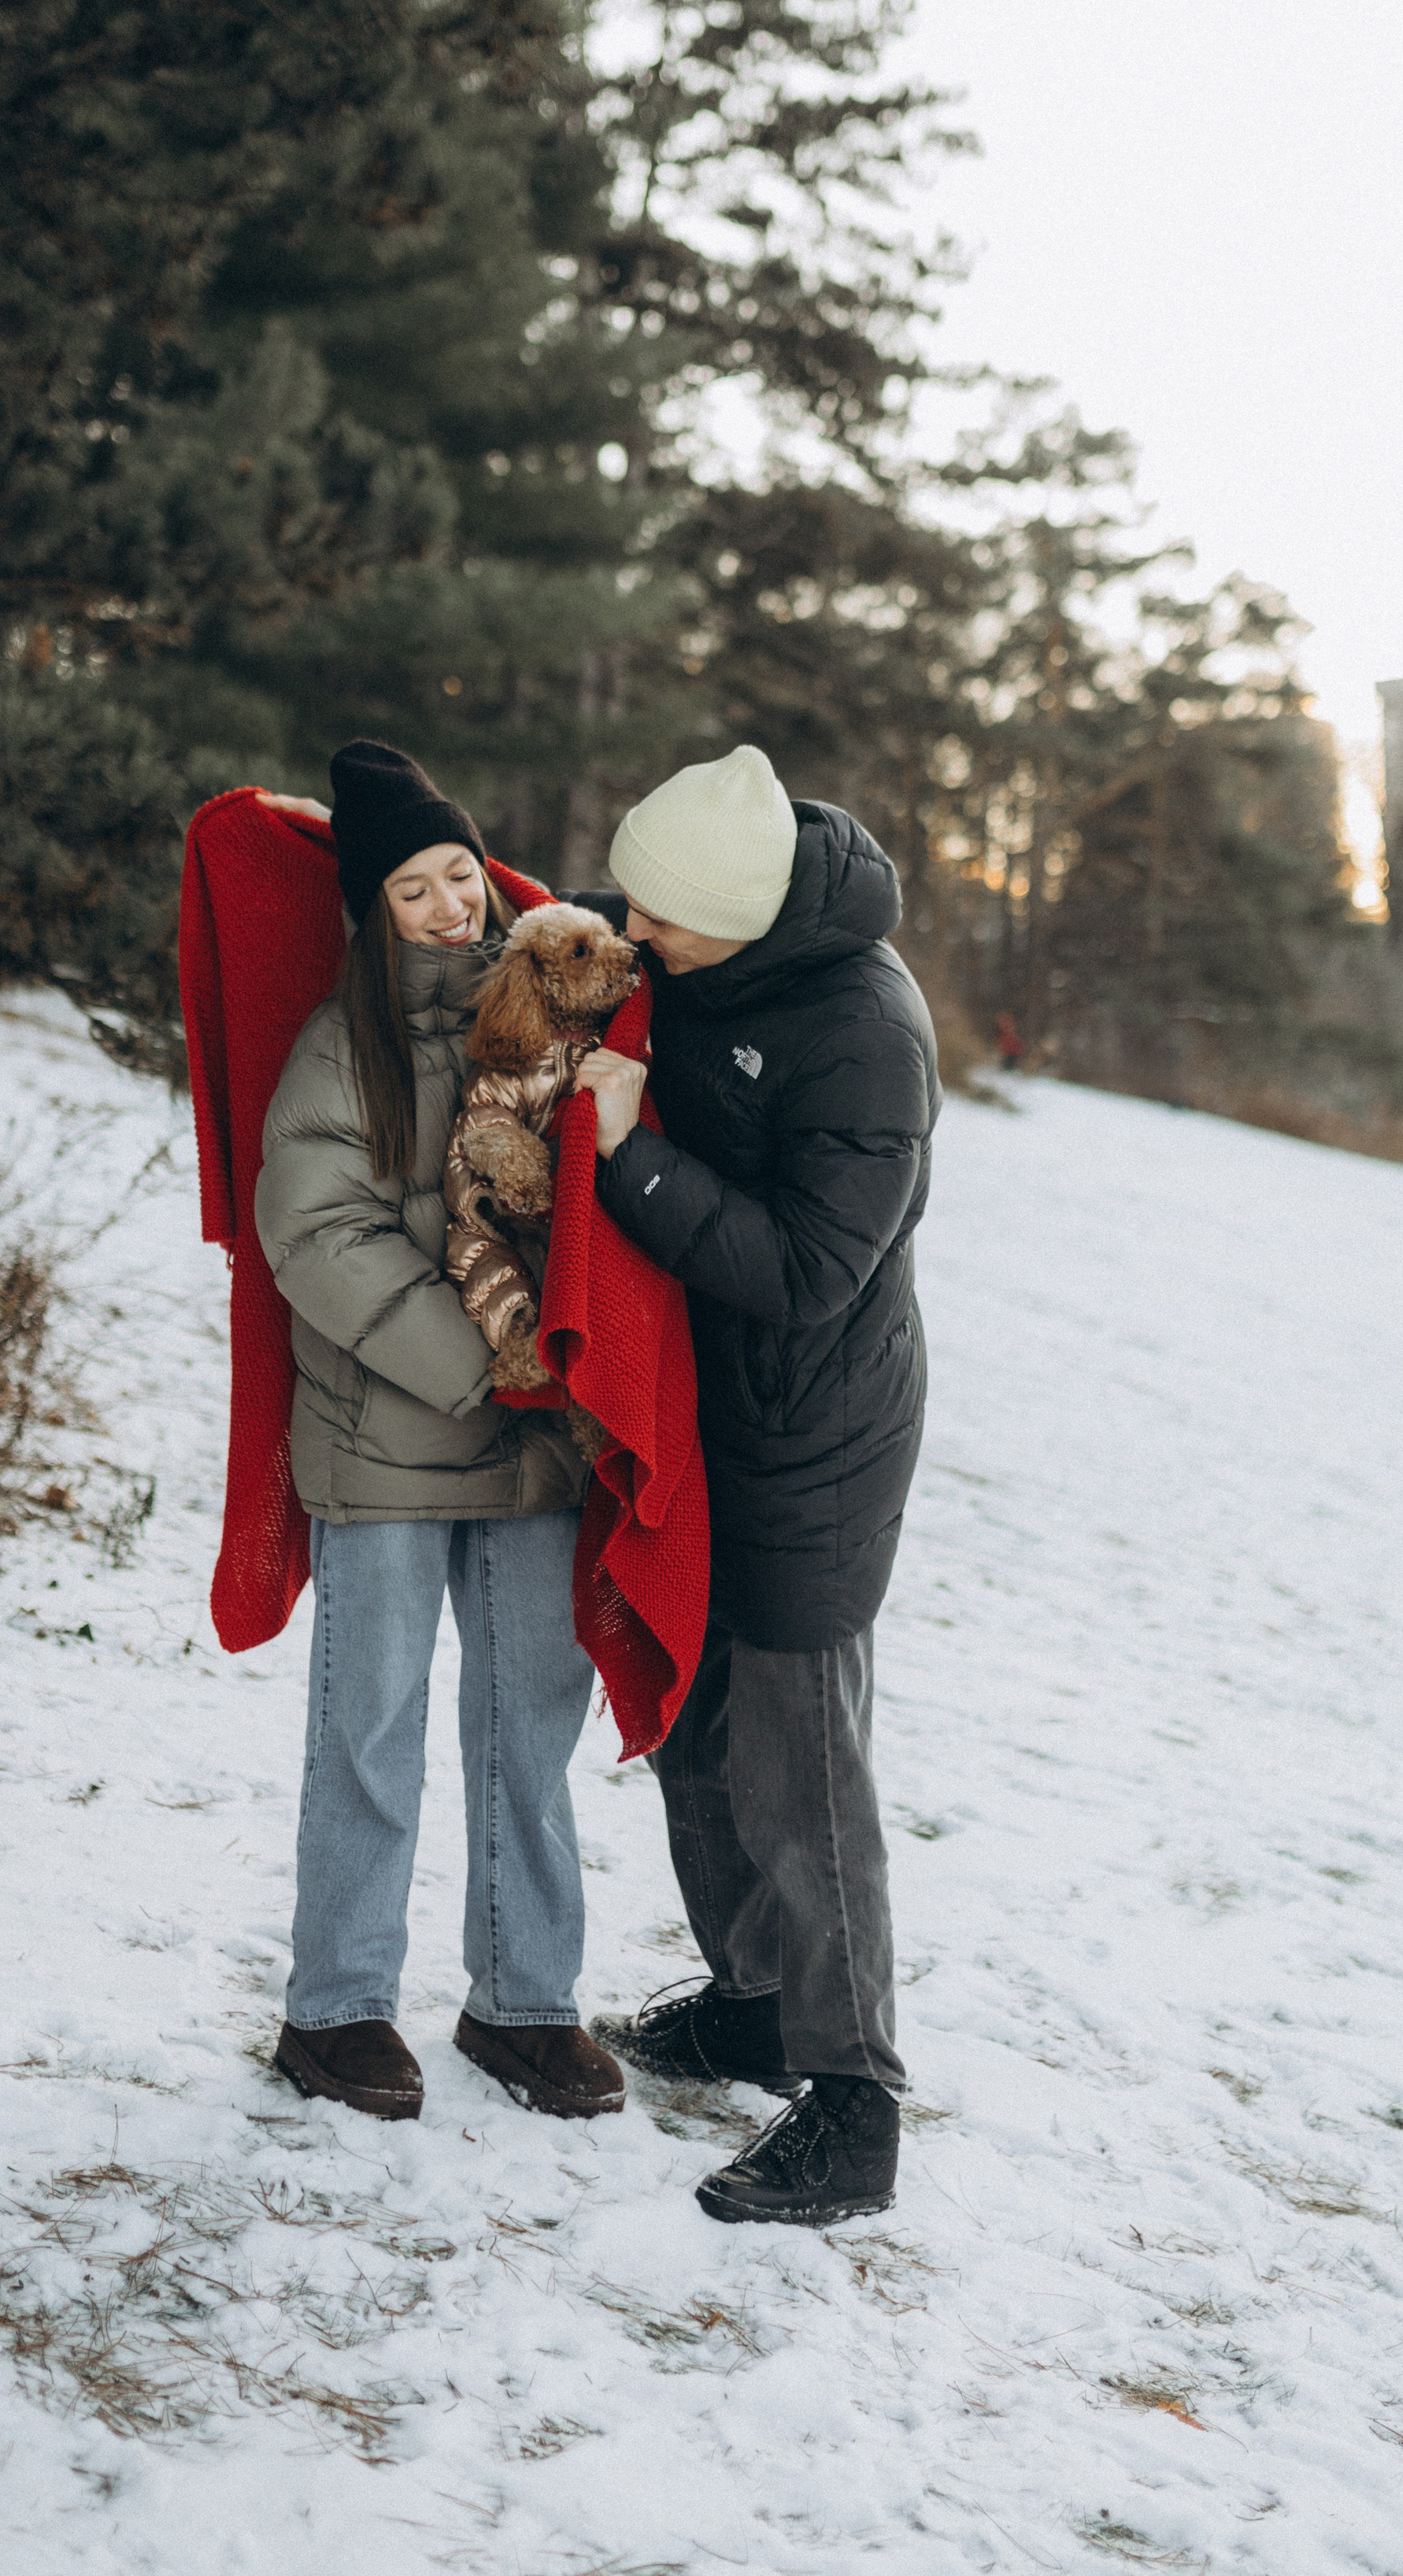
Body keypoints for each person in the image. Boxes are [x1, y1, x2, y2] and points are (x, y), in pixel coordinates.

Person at [576, 747, 938, 2226]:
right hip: (702, 1414)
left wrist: (632, 1159)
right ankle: (752, 2003)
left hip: (814, 1439)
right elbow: (547, 924)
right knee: (695, 1716)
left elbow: (805, 1271)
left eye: (658, 919)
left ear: (736, 916)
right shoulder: (703, 930)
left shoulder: (866, 1036)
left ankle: (853, 2107)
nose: (634, 936)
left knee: (803, 1767)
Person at [252, 739, 626, 2125]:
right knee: (372, 1727)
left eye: (459, 875)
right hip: (390, 1440)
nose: (448, 906)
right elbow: (315, 1230)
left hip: (538, 1444)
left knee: (529, 1728)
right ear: (374, 913)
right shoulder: (336, 1047)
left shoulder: (550, 1018)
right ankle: (337, 2007)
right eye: (412, 889)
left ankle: (523, 2003)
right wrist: (481, 1360)